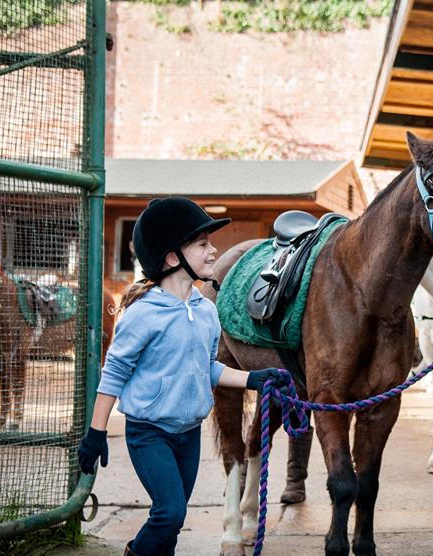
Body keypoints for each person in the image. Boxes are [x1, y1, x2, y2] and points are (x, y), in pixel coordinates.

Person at [77, 197, 286, 556]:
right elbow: (113, 373)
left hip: (188, 435)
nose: (213, 251)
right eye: (202, 244)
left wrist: (253, 379)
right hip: (149, 433)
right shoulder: (142, 315)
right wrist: (95, 433)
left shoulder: (206, 311)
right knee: (169, 514)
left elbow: (208, 368)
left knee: (172, 526)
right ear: (173, 258)